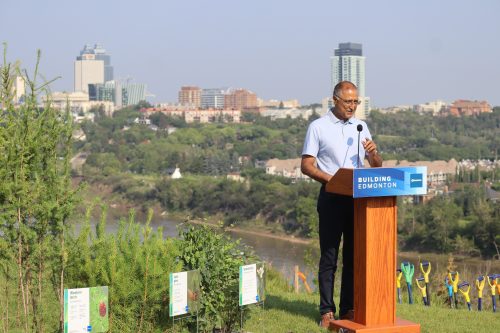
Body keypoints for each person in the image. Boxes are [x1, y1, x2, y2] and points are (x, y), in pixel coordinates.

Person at [300, 81, 382, 327]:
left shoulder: (361, 126)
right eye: (348, 101)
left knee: (353, 257)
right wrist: (334, 181)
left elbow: (376, 165)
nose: (353, 106)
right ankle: (327, 310)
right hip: (332, 197)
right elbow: (306, 165)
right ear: (334, 100)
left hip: (357, 200)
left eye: (356, 102)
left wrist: (374, 153)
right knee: (329, 257)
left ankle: (348, 309)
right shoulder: (318, 127)